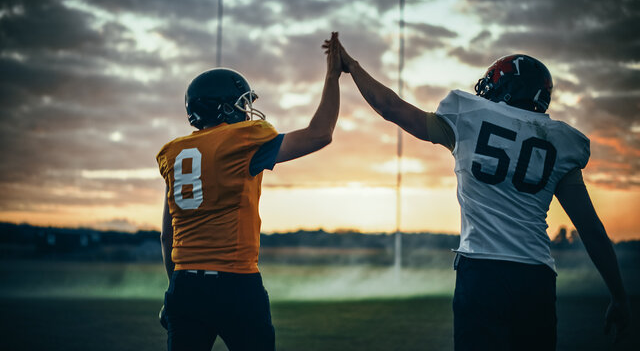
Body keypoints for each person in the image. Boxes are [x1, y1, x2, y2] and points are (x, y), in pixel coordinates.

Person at [330, 36, 631, 350]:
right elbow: (592, 230)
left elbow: (389, 107)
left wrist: (352, 67)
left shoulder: (468, 115)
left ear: (506, 88)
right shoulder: (562, 140)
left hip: (483, 272)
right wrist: (619, 297)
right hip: (536, 276)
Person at [156, 32, 342, 351]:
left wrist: (176, 290)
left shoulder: (173, 153)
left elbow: (166, 235)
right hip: (236, 283)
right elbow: (319, 134)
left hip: (185, 285)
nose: (247, 112)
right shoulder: (242, 141)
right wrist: (332, 75)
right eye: (242, 104)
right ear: (226, 109)